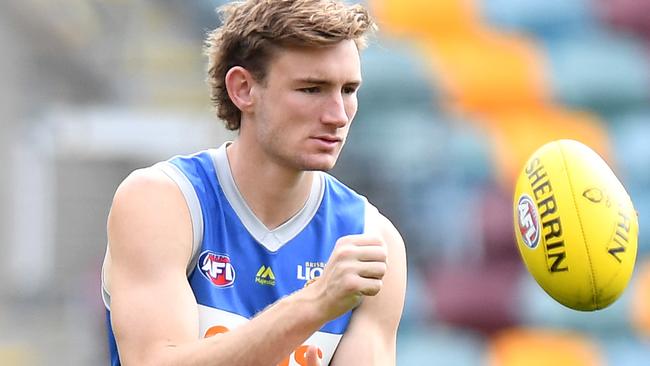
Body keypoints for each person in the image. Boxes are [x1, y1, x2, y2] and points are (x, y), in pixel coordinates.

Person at [101, 0, 407, 365]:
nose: (337, 116)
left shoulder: (370, 238)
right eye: (312, 89)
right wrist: (314, 304)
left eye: (348, 90)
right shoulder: (164, 201)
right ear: (243, 89)